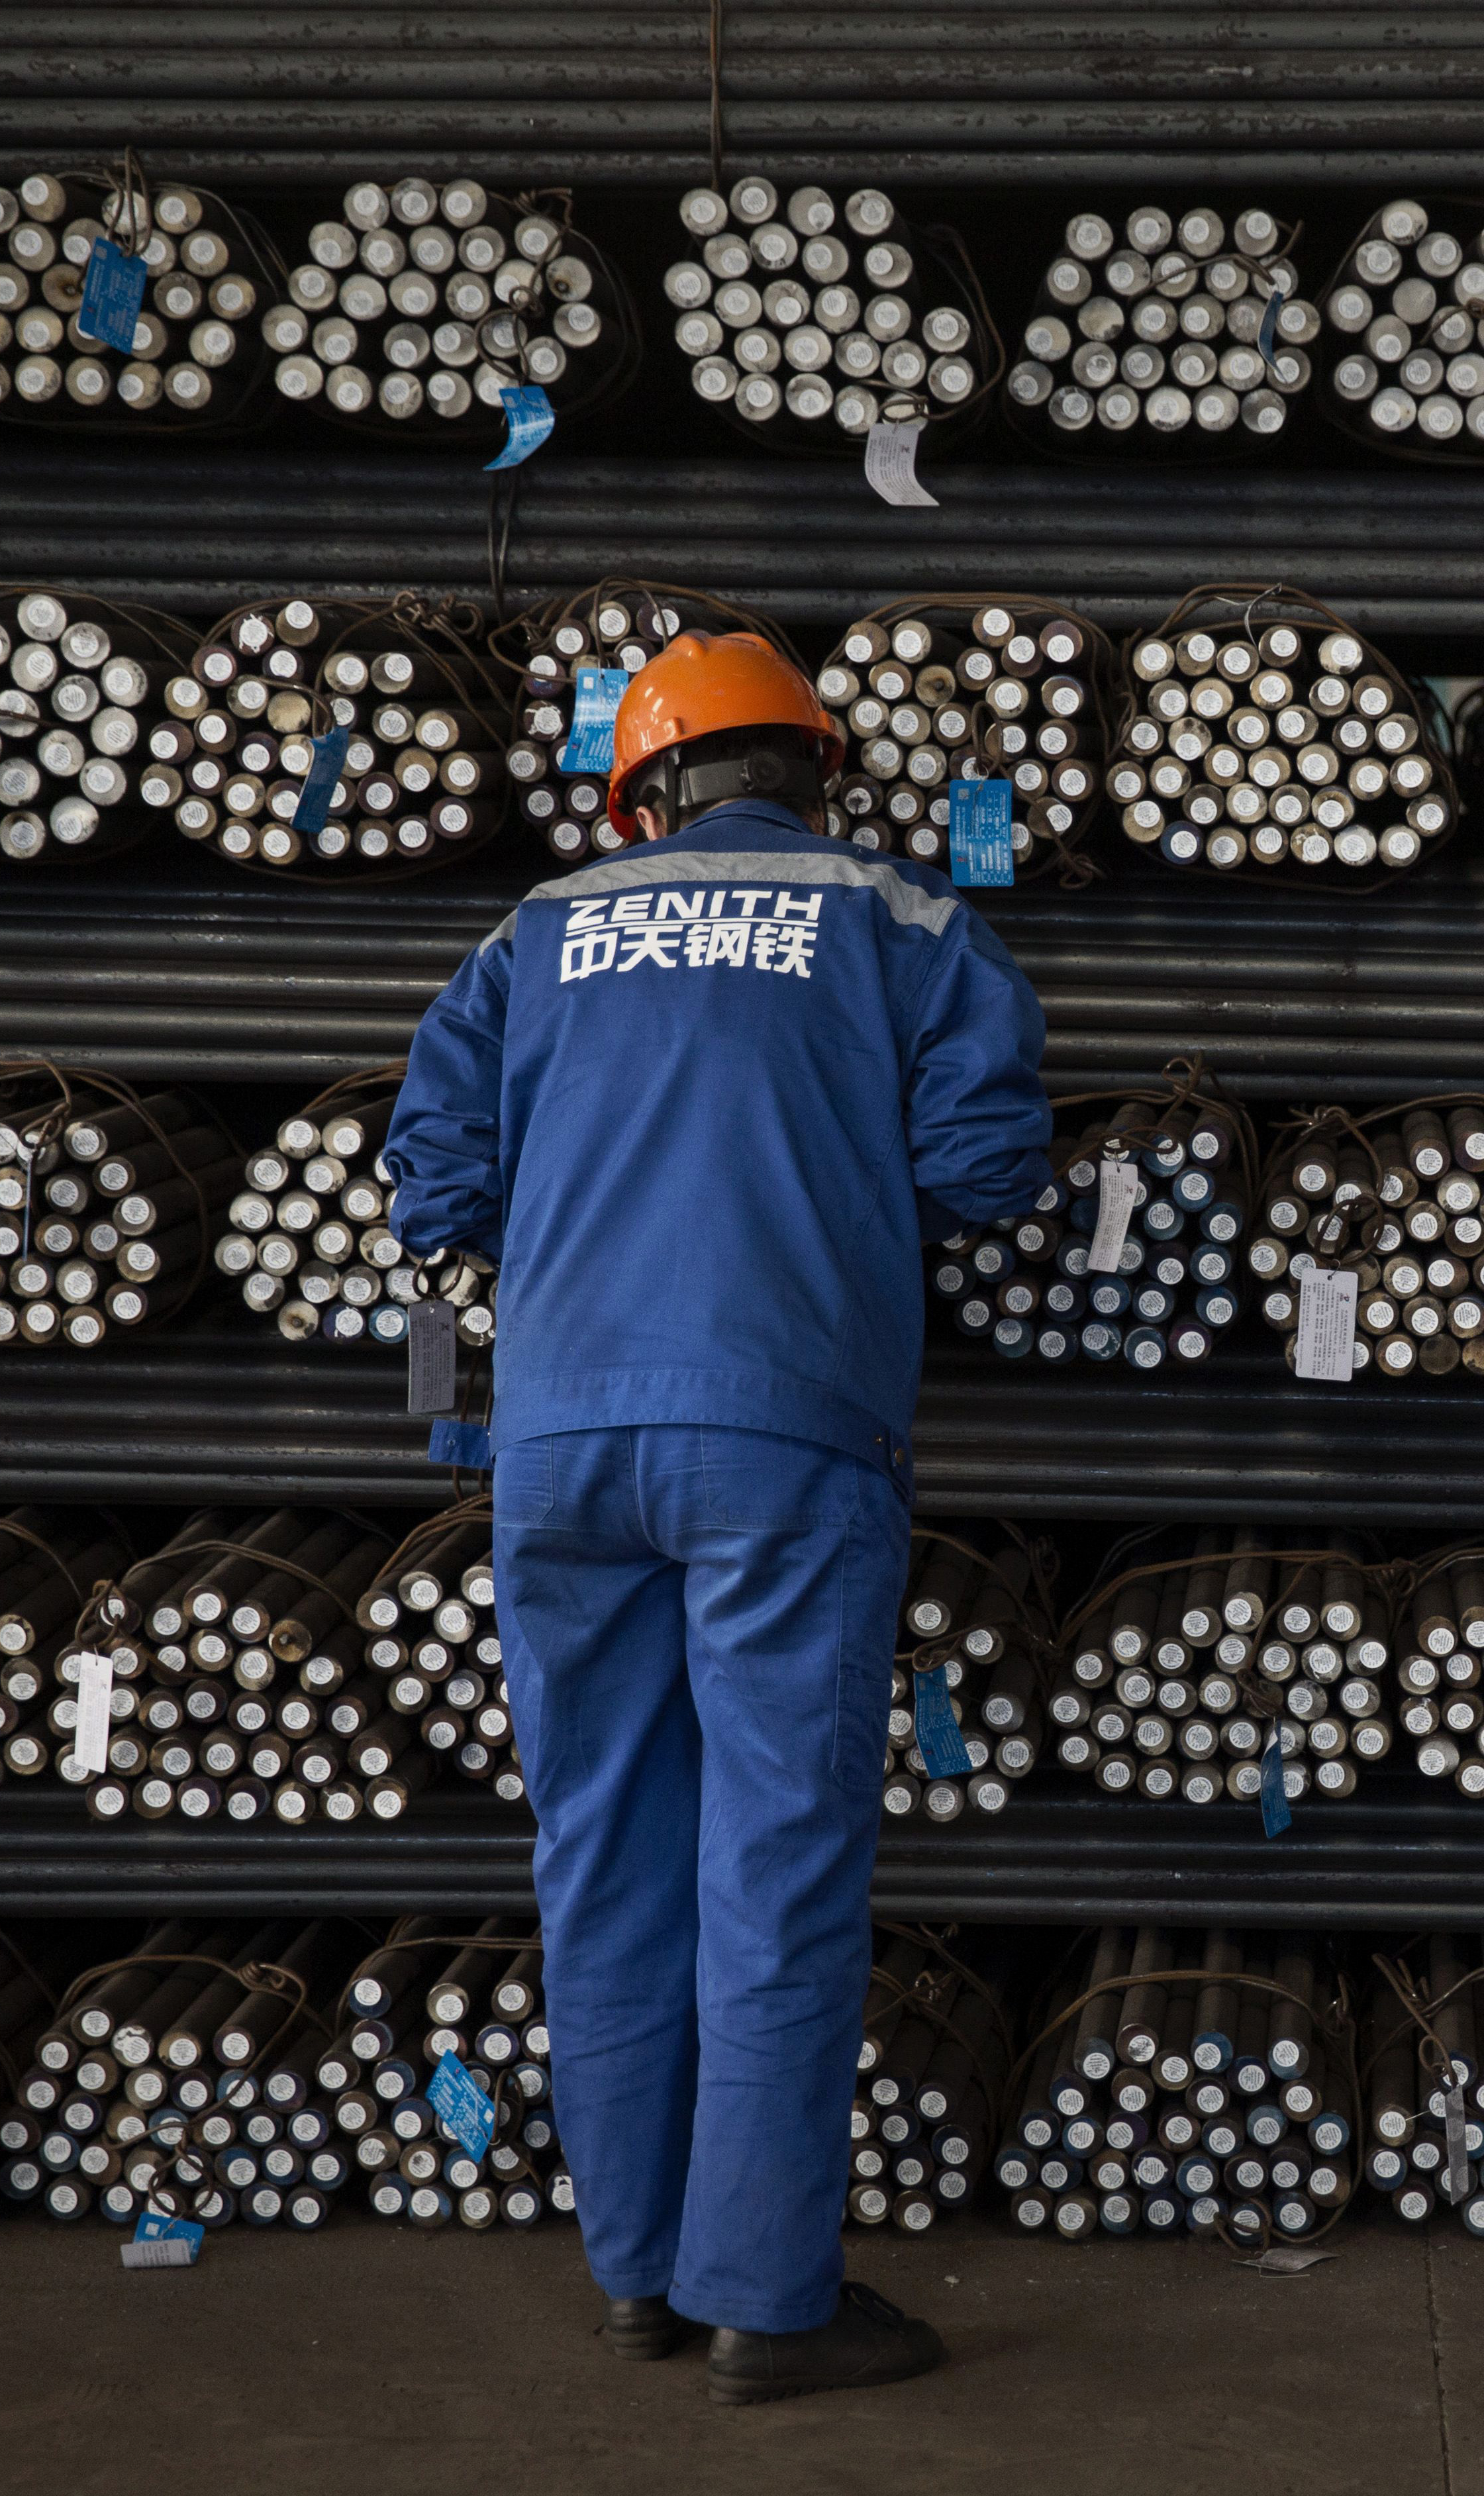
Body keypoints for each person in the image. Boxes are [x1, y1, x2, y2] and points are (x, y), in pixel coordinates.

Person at [385, 632, 1052, 2406]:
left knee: (602, 1851)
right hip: (782, 1426)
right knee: (774, 1861)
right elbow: (987, 1166)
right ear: (816, 768)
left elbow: (433, 1177)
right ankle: (769, 2297)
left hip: (559, 1443)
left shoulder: (536, 930)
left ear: (645, 787)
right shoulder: (904, 921)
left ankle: (636, 2277)